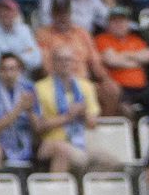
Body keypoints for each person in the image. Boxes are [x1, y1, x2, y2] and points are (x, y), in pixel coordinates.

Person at [34, 42, 108, 171]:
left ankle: (86, 190)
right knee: (63, 151)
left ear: (74, 63)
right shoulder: (40, 88)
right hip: (50, 141)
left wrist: (83, 113)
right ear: (52, 63)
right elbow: (39, 127)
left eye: (68, 59)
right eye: (60, 59)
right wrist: (68, 117)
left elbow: (93, 124)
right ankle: (58, 190)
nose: (64, 63)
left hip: (81, 141)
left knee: (110, 161)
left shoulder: (86, 86)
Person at [0, 50, 40, 168]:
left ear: (20, 71)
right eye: (4, 69)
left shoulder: (29, 90)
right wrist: (19, 108)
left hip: (26, 142)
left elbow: (38, 128)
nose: (9, 74)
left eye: (12, 69)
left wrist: (30, 111)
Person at [95, 3, 149, 103]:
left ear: (128, 23)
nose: (119, 24)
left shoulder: (136, 40)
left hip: (142, 87)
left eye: (122, 21)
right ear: (108, 23)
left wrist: (123, 56)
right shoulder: (102, 39)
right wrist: (137, 62)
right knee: (125, 109)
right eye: (115, 21)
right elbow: (112, 61)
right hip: (121, 88)